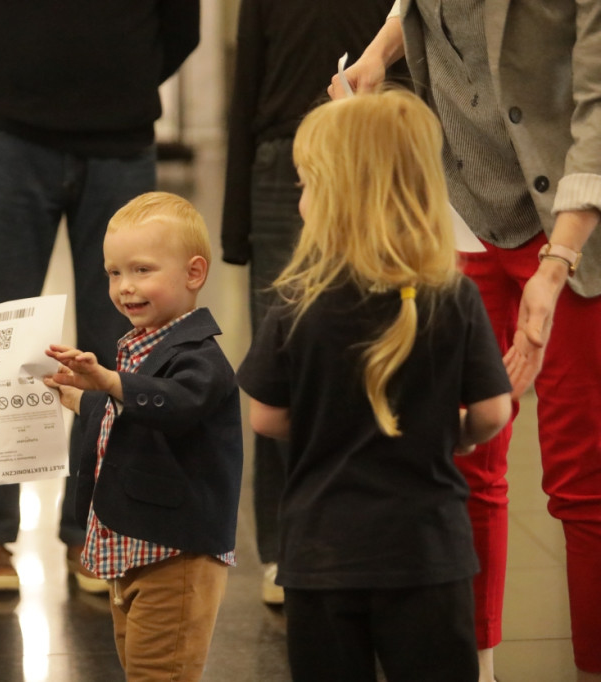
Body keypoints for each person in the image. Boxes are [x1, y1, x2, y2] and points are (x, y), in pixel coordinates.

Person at [330, 3, 601, 680]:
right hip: (463, 211)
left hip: (568, 226)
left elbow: (599, 110)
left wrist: (558, 262)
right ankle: (472, 668)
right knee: (459, 459)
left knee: (582, 478)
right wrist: (378, 55)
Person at [236, 90, 513, 682]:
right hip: (428, 554)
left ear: (335, 198)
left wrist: (326, 420)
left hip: (320, 556)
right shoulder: (453, 296)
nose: (300, 198)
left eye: (306, 185)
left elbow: (265, 417)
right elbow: (493, 412)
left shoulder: (296, 302)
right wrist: (457, 433)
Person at [0, 0, 201, 593]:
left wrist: (124, 82)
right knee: (0, 335)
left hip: (121, 141)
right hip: (17, 133)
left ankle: (95, 526)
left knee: (117, 342)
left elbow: (183, 26)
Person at [221, 0, 401, 607]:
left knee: (378, 340)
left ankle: (370, 528)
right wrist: (236, 224)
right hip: (282, 161)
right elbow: (247, 82)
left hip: (373, 150)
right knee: (284, 359)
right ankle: (285, 543)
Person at [43, 191, 242, 681]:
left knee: (159, 673)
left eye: (142, 270)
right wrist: (79, 397)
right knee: (140, 668)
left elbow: (174, 405)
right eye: (114, 273)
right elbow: (129, 415)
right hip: (135, 547)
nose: (124, 287)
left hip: (176, 554)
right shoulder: (141, 346)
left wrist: (111, 382)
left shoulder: (201, 357)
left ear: (194, 274)